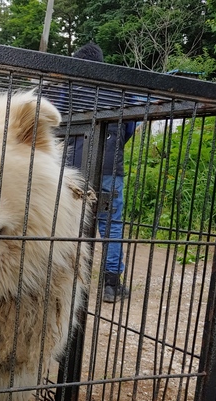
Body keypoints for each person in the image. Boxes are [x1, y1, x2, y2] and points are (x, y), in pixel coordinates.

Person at [65, 42, 135, 303]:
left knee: (70, 224)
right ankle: (111, 285)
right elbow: (130, 126)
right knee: (112, 225)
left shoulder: (68, 88)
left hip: (75, 169)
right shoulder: (119, 89)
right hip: (110, 169)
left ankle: (66, 277)